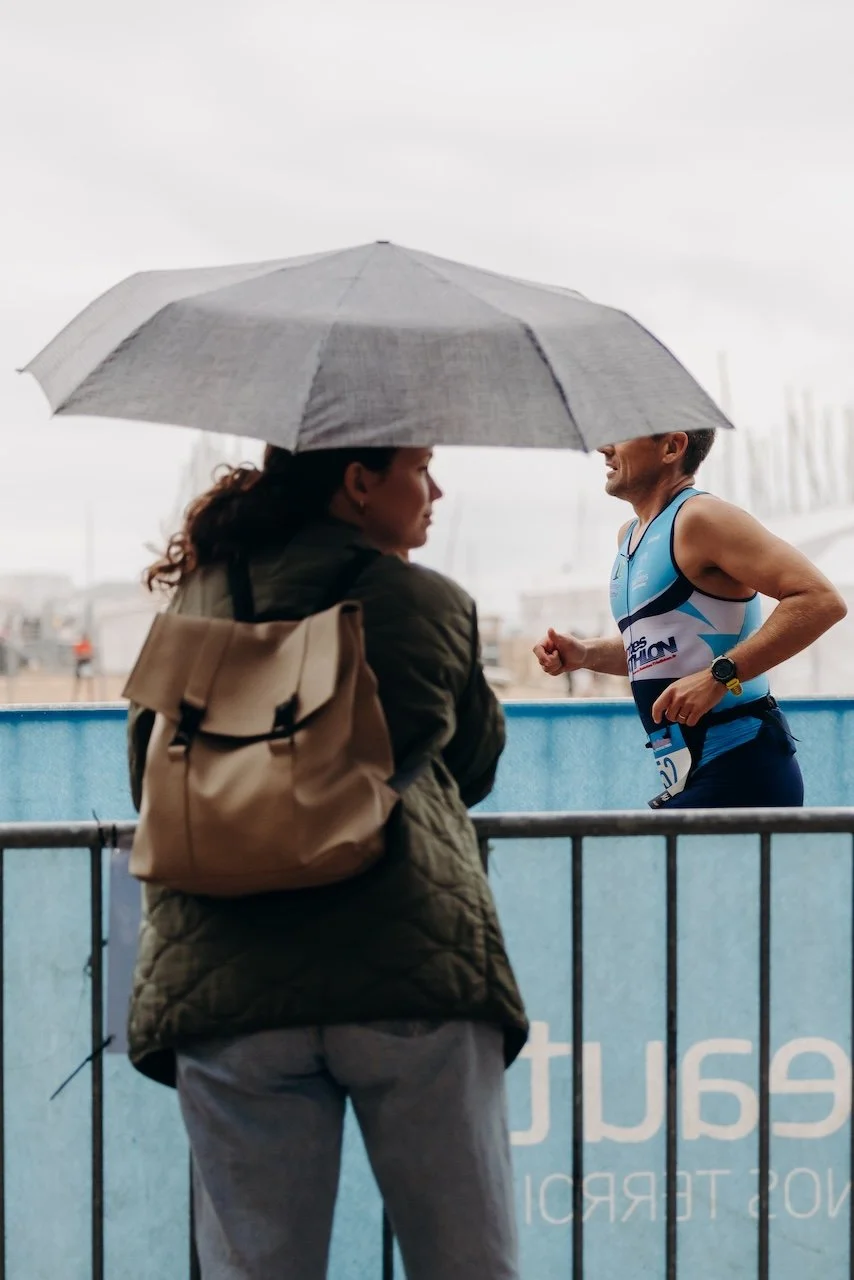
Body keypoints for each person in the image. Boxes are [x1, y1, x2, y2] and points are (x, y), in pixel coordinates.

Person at [126, 445, 528, 1280]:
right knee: (466, 1262)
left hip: (225, 973)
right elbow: (478, 766)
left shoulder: (197, 602)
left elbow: (148, 772)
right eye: (419, 466)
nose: (436, 488)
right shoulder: (424, 600)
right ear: (359, 482)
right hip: (407, 964)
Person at [534, 430, 847, 808]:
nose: (605, 448)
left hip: (742, 763)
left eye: (622, 435)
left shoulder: (701, 518)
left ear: (671, 447)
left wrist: (721, 675)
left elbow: (820, 599)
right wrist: (585, 654)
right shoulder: (629, 537)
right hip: (690, 770)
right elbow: (666, 649)